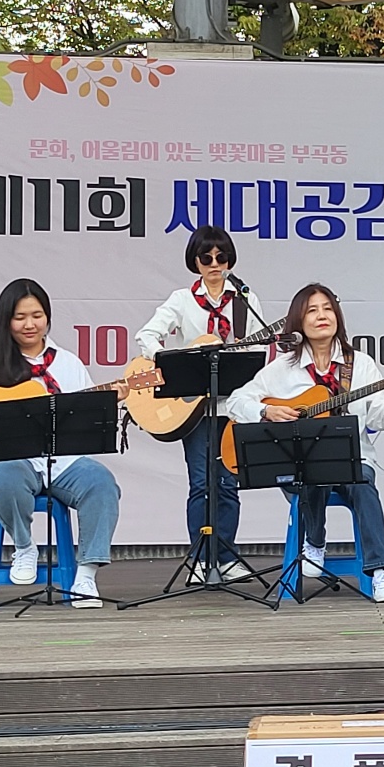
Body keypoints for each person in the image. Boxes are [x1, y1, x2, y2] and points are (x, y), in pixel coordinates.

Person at [0, 278, 123, 607]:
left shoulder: (68, 363)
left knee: (101, 482)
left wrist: (109, 402)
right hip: (5, 461)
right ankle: (24, 547)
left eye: (37, 315)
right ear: (6, 320)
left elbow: (83, 418)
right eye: (20, 317)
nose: (30, 324)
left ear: (48, 317)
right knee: (5, 473)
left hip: (59, 462)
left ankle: (86, 575)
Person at [228, 283, 384, 603]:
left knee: (364, 487)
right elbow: (236, 402)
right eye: (312, 310)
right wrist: (266, 411)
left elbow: (381, 418)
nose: (321, 315)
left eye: (327, 308)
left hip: (354, 461)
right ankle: (315, 540)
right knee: (311, 467)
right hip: (300, 467)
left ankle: (381, 571)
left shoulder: (360, 364)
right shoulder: (282, 368)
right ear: (299, 321)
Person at [135, 224, 264, 583]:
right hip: (195, 409)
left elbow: (257, 350)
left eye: (222, 257)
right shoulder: (182, 300)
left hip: (232, 406)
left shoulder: (245, 300)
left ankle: (226, 558)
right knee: (201, 484)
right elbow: (146, 335)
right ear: (195, 261)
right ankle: (199, 559)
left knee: (228, 483)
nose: (215, 264)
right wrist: (172, 362)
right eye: (206, 258)